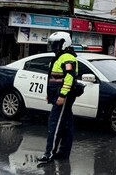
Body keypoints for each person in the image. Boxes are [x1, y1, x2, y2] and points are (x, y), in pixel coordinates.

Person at [38, 32, 78, 163]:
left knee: (54, 123)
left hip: (64, 96)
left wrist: (62, 95)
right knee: (66, 124)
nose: (53, 46)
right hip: (59, 95)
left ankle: (49, 154)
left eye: (56, 43)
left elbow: (69, 77)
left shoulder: (67, 57)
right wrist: (51, 95)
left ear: (63, 43)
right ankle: (63, 153)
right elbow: (54, 78)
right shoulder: (60, 56)